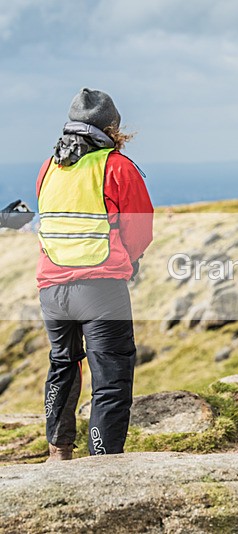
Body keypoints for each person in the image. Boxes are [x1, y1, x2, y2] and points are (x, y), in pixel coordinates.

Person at [36, 88, 153, 460]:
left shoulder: (49, 167)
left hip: (51, 289)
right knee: (111, 374)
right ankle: (102, 460)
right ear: (112, 127)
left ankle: (58, 452)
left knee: (62, 365)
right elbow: (140, 230)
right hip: (100, 289)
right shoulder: (117, 167)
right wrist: (128, 261)